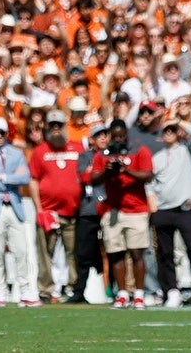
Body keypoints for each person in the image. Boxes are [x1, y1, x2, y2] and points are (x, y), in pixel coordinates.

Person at [0, 116, 42, 308]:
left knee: (21, 250)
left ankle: (25, 290)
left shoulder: (15, 153)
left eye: (1, 133)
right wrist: (11, 179)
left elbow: (25, 177)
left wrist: (2, 176)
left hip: (14, 206)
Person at [148, 119, 191, 308]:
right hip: (162, 210)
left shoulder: (187, 149)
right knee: (166, 254)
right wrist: (152, 204)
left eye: (172, 130)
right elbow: (150, 184)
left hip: (184, 209)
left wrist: (177, 121)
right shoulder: (157, 157)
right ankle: (172, 291)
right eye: (166, 130)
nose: (169, 133)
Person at [90, 119, 154, 310]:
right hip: (113, 210)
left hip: (136, 209)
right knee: (116, 254)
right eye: (114, 136)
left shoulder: (139, 150)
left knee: (137, 253)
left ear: (127, 134)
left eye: (121, 136)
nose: (118, 139)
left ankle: (140, 294)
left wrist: (127, 171)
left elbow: (148, 175)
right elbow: (92, 179)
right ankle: (123, 293)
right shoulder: (103, 155)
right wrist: (107, 171)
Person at [29, 110, 84, 303]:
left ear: (64, 126)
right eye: (52, 126)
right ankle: (45, 290)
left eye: (59, 125)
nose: (56, 130)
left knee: (74, 252)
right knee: (45, 253)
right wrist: (39, 209)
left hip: (73, 211)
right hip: (49, 212)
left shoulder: (77, 148)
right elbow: (34, 180)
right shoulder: (40, 151)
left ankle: (73, 288)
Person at [67, 123, 109, 304]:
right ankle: (79, 291)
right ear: (91, 139)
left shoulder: (113, 156)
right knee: (83, 252)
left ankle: (116, 290)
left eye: (105, 134)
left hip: (109, 207)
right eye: (98, 135)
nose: (103, 138)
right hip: (89, 208)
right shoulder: (85, 156)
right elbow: (85, 176)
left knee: (114, 251)